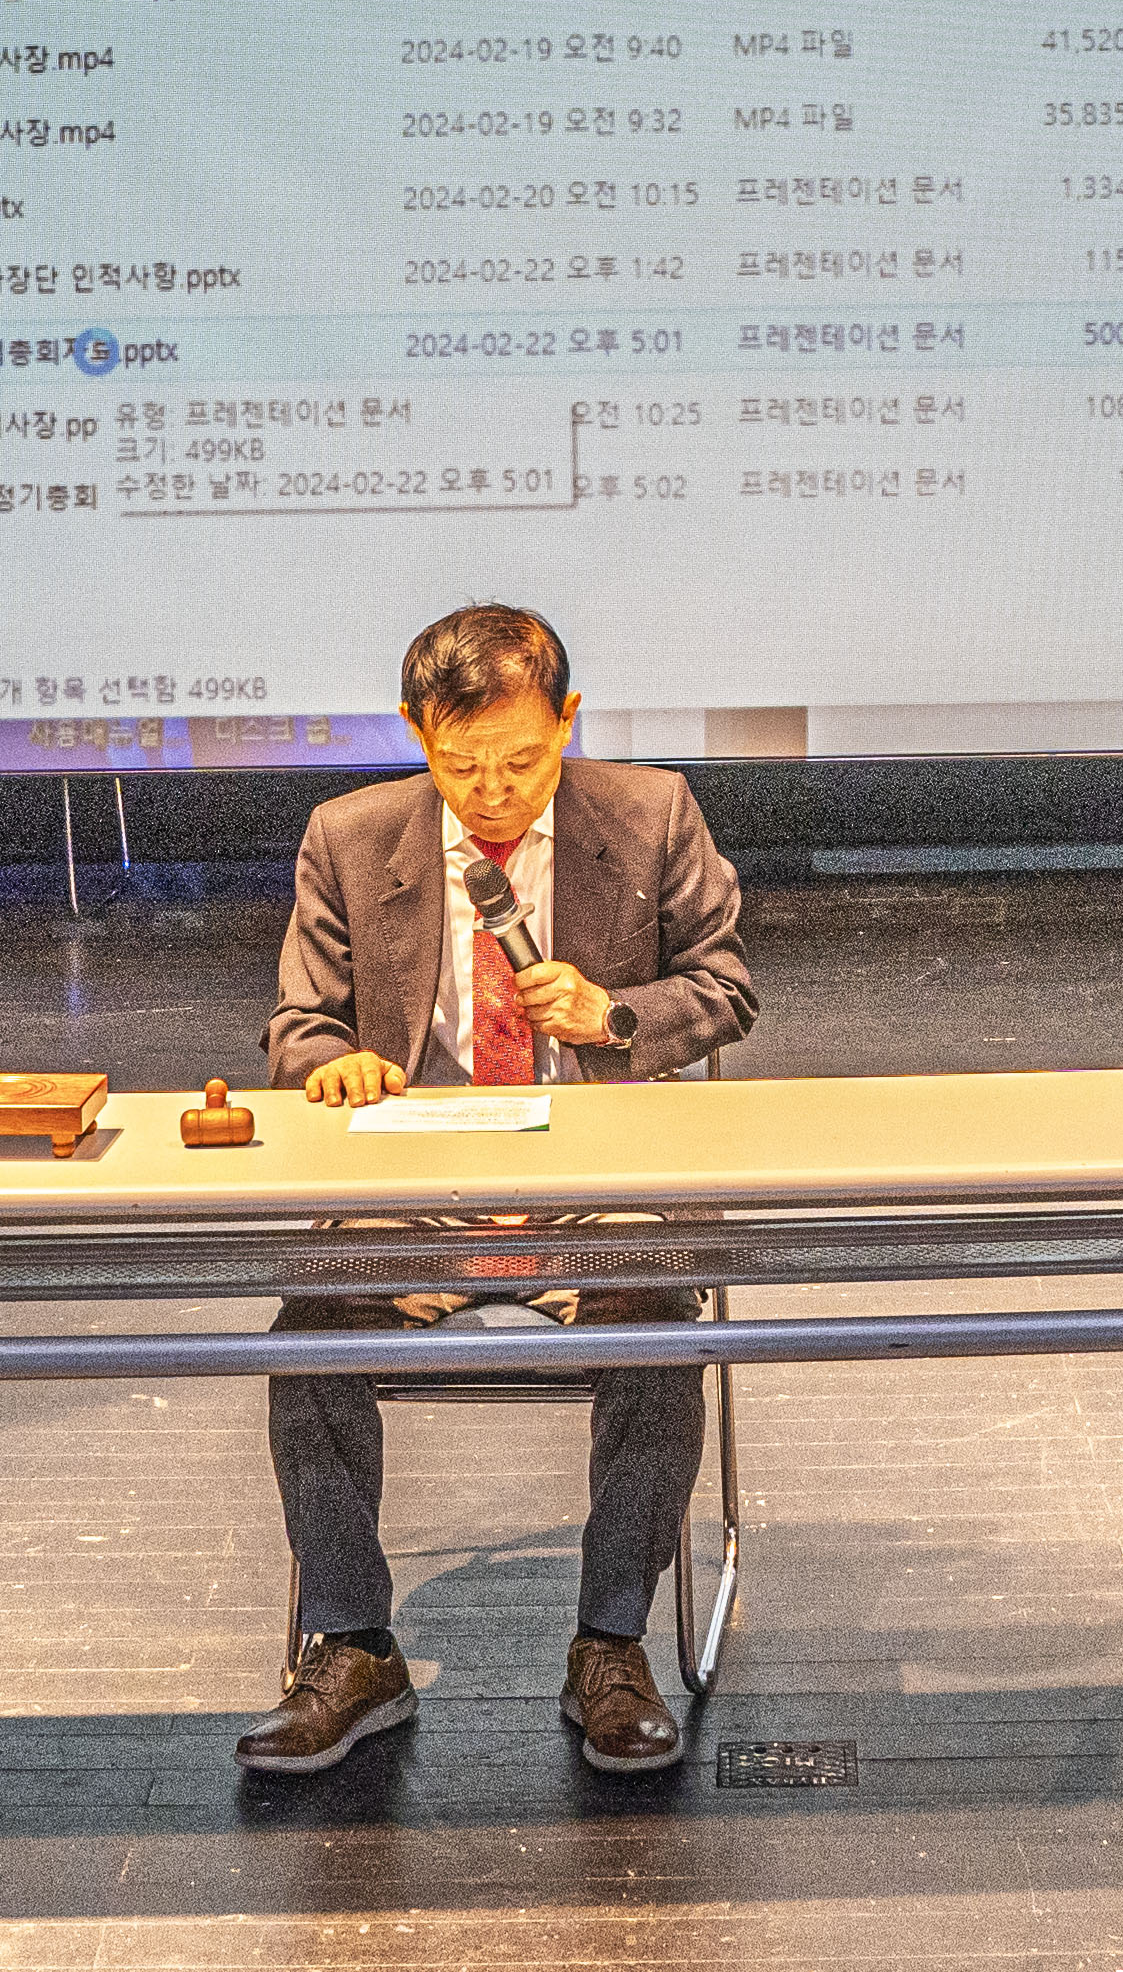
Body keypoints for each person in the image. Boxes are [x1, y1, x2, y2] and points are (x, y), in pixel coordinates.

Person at [235, 603, 756, 1779]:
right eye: (461, 765)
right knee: (310, 1324)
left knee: (658, 1319)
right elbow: (300, 1022)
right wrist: (336, 1065)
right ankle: (353, 1648)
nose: (493, 793)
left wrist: (617, 1015)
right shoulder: (350, 835)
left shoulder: (652, 814)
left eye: (522, 761)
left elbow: (725, 988)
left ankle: (611, 1644)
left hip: (594, 1175)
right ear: (416, 731)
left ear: (567, 722)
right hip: (419, 1182)